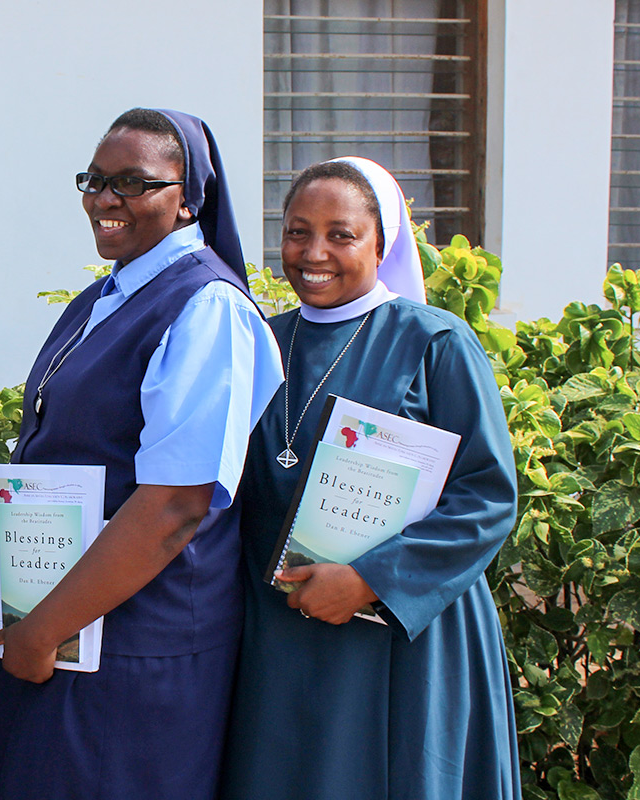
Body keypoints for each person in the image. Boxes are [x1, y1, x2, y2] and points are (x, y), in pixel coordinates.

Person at [0, 108, 282, 800]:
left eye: (132, 182)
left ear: (188, 200)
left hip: (135, 644)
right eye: (94, 180)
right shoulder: (108, 294)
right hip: (64, 627)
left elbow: (176, 505)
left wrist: (43, 629)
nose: (105, 199)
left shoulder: (207, 307)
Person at [222, 157, 521, 799]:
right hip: (280, 631)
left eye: (342, 235)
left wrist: (370, 581)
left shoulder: (434, 343)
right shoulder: (260, 342)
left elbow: (486, 496)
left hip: (402, 632)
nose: (314, 253)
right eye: (298, 232)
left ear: (381, 245)